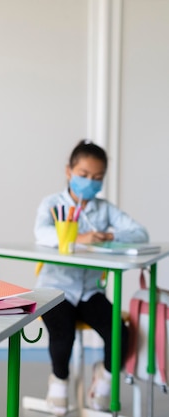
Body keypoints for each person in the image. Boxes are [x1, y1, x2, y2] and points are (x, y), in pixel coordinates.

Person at [34, 140, 149, 415]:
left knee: (120, 333)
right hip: (55, 288)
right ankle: (59, 379)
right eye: (84, 175)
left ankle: (105, 378)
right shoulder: (52, 204)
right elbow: (42, 235)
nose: (90, 182)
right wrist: (80, 237)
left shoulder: (104, 209)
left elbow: (140, 234)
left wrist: (111, 235)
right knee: (63, 334)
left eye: (97, 178)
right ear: (68, 171)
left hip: (89, 290)